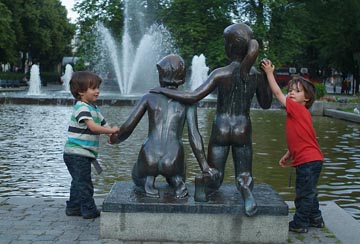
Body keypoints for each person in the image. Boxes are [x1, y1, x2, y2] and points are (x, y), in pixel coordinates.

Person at [151, 23, 272, 216]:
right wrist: (266, 77)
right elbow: (266, 104)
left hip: (220, 129)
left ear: (229, 48)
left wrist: (163, 90)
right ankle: (246, 190)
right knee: (244, 174)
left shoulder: (220, 73)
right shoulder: (255, 75)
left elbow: (193, 97)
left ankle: (203, 183)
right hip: (243, 129)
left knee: (216, 176)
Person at [109, 54, 218, 199]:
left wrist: (116, 138)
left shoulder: (148, 97)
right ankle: (177, 181)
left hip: (149, 156)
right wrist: (205, 166)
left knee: (137, 176)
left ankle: (148, 180)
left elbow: (128, 126)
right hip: (173, 158)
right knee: (178, 173)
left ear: (162, 75)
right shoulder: (189, 101)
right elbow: (194, 135)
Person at [261, 59, 324, 233]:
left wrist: (269, 73)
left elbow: (276, 93)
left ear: (307, 98)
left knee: (304, 194)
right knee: (309, 191)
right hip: (312, 159)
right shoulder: (300, 114)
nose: (291, 94)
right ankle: (316, 218)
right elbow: (302, 138)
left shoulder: (297, 109)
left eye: (297, 91)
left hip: (307, 162)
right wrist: (288, 154)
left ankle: (300, 223)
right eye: (290, 90)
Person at [63, 71, 119, 219]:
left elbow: (105, 127)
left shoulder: (94, 109)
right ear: (81, 92)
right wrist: (110, 130)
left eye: (98, 88)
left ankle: (73, 208)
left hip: (84, 154)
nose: (97, 91)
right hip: (76, 153)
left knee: (78, 182)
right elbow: (94, 128)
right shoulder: (81, 107)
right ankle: (89, 210)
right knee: (85, 183)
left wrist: (112, 135)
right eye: (93, 88)